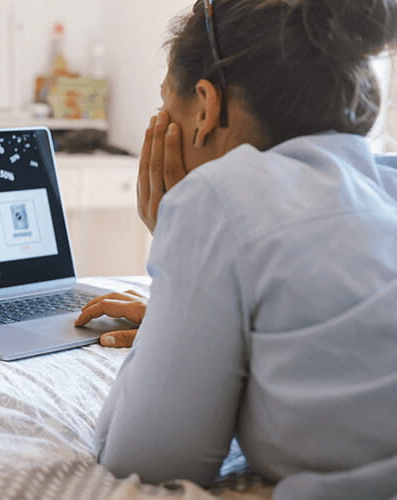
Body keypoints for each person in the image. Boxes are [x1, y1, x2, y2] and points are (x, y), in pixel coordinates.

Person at [73, 0, 397, 498]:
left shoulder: (219, 199)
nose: (160, 123)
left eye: (165, 106)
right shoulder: (385, 183)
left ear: (206, 105)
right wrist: (195, 301)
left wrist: (175, 270)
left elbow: (145, 457)